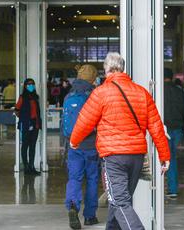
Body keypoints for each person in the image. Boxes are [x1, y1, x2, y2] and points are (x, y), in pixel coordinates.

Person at [70, 52, 170, 230]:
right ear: (122, 69)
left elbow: (84, 121)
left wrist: (74, 141)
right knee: (118, 201)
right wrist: (165, 155)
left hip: (113, 157)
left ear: (106, 70)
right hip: (136, 157)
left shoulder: (101, 93)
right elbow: (156, 126)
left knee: (120, 201)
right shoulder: (142, 93)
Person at [63, 64, 99, 229]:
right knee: (92, 179)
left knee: (74, 178)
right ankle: (90, 216)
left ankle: (72, 205)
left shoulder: (68, 95)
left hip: (73, 145)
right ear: (93, 79)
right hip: (91, 144)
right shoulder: (94, 95)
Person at [163, 68, 184, 199]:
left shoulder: (158, 91)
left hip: (163, 129)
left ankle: (159, 188)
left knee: (162, 158)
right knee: (171, 157)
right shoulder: (179, 91)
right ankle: (172, 188)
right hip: (177, 128)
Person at [15, 78, 42, 175]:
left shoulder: (35, 97)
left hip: (35, 124)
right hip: (26, 124)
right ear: (25, 86)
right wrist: (24, 118)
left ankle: (32, 166)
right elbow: (16, 109)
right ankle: (26, 167)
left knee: (33, 146)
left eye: (32, 84)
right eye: (29, 84)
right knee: (25, 145)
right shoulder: (22, 97)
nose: (31, 86)